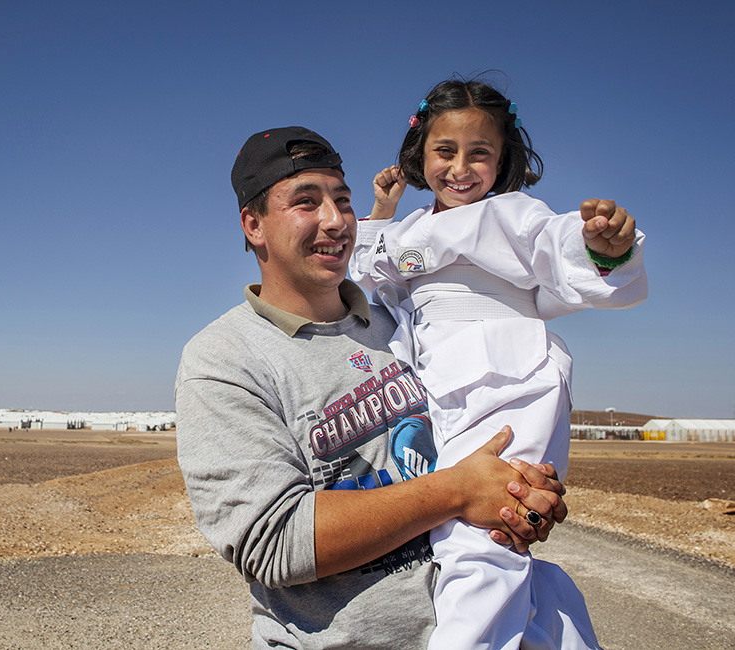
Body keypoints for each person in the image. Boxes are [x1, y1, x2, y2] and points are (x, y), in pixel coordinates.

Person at [175, 125, 569, 649]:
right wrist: (458, 489)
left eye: (342, 199)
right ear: (254, 225)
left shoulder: (402, 320)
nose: (335, 221)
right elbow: (276, 543)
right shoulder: (226, 359)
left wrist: (519, 494)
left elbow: (477, 429)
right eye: (306, 202)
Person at [350, 78, 647, 649]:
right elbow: (366, 272)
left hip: (506, 383)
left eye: (479, 153)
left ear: (503, 158)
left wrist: (602, 248)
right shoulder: (408, 230)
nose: (461, 168)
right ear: (421, 153)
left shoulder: (510, 214)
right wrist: (382, 212)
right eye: (445, 151)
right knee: (452, 539)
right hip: (438, 389)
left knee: (483, 539)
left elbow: (554, 240)